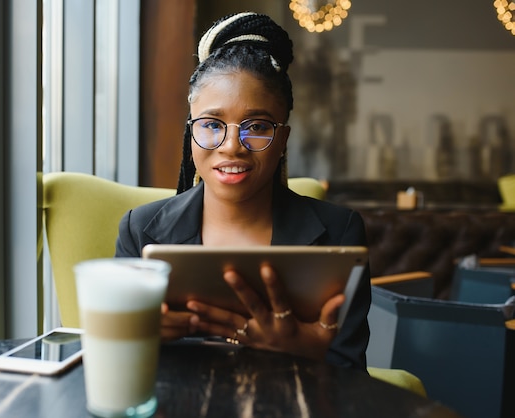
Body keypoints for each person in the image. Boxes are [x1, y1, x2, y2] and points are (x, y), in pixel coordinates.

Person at [115, 12, 370, 370]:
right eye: (211, 125)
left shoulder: (340, 232)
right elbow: (117, 361)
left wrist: (309, 353)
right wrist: (133, 336)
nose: (232, 146)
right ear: (191, 133)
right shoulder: (140, 230)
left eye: (257, 126)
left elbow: (352, 376)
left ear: (282, 138)